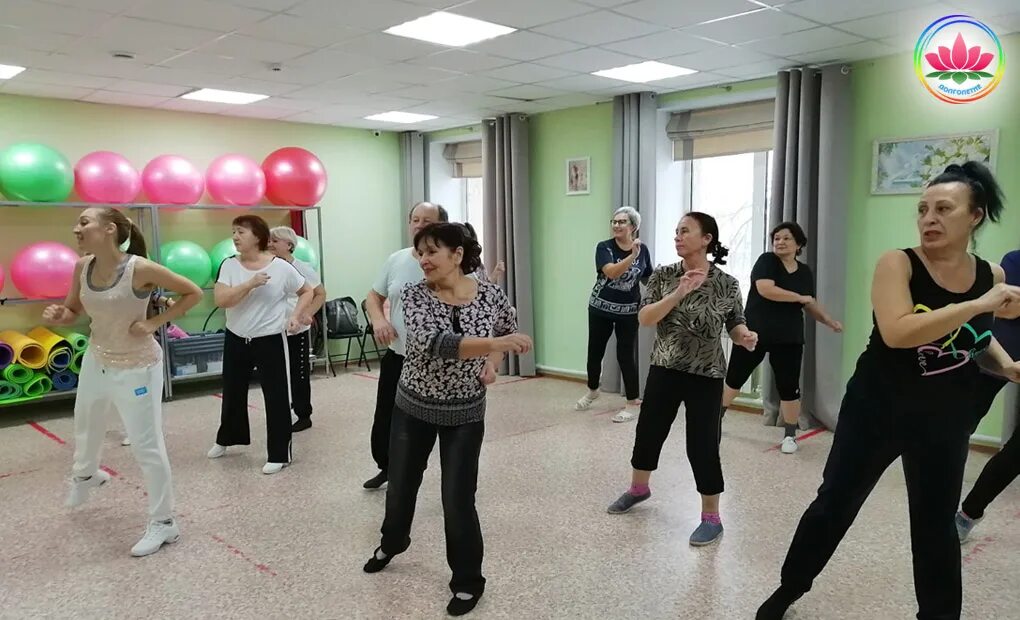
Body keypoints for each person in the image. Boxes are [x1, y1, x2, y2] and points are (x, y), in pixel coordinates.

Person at [757, 162, 1020, 620]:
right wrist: (978, 304)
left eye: (944, 208)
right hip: (877, 408)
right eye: (922, 209)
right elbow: (898, 331)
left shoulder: (990, 276)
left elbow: (975, 334)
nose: (929, 219)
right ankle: (789, 589)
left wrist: (1004, 363)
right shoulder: (897, 262)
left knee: (935, 523)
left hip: (944, 416)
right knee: (834, 504)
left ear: (974, 215)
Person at [362, 223, 532, 617]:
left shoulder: (490, 294)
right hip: (414, 406)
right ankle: (393, 542)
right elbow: (431, 343)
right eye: (419, 252)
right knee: (401, 486)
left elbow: (507, 331)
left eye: (431, 251)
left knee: (458, 499)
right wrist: (494, 346)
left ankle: (468, 581)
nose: (423, 260)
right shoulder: (414, 294)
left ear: (457, 255)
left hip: (466, 412)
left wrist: (491, 364)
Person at [43, 207, 202, 556]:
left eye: (84, 222)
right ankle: (86, 476)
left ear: (110, 229)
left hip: (137, 365)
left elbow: (193, 293)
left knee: (146, 445)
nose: (76, 229)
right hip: (98, 358)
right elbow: (73, 311)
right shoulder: (81, 266)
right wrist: (60, 315)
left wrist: (153, 323)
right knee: (86, 422)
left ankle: (164, 524)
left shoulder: (139, 269)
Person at [606, 212, 757, 547]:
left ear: (706, 239)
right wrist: (677, 294)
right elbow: (645, 317)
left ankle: (711, 517)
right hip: (665, 367)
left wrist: (743, 335)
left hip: (707, 374)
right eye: (675, 231)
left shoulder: (727, 283)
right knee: (649, 432)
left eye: (685, 231)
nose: (677, 236)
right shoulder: (663, 275)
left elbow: (734, 320)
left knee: (702, 444)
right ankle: (639, 488)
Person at [720, 222, 842, 454]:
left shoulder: (804, 271)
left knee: (789, 387)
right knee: (735, 377)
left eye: (786, 238)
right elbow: (767, 289)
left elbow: (809, 303)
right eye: (776, 238)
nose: (780, 242)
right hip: (754, 332)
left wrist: (828, 320)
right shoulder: (767, 261)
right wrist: (798, 297)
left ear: (798, 244)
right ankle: (716, 420)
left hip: (789, 336)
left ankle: (790, 435)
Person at [207, 215, 314, 475]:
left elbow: (307, 291)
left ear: (257, 236)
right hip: (236, 336)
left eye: (240, 232)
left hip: (269, 338)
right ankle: (227, 438)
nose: (235, 236)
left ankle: (279, 453)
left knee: (276, 396)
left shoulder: (281, 267)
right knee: (232, 391)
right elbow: (221, 299)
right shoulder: (229, 265)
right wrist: (249, 283)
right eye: (234, 231)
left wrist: (296, 314)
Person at [362, 201, 448, 490]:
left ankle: (426, 473)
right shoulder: (396, 259)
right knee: (386, 417)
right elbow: (372, 297)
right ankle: (387, 467)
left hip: (437, 362)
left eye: (427, 220)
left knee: (431, 425)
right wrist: (379, 321)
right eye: (415, 219)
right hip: (398, 356)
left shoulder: (454, 263)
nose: (419, 225)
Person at [955, 248, 1020, 541]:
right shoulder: (1015, 260)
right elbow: (1008, 306)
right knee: (958, 426)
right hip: (999, 357)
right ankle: (937, 499)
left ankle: (969, 513)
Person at [575, 206, 653, 423]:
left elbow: (648, 276)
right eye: (614, 221)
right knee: (595, 353)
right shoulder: (604, 247)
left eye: (622, 222)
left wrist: (662, 298)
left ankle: (631, 402)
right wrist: (631, 257)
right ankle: (592, 390)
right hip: (600, 308)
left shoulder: (643, 250)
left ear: (633, 227)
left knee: (626, 355)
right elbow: (611, 272)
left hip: (628, 312)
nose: (617, 225)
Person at [269, 226, 327, 433]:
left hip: (296, 330)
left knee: (298, 373)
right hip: (272, 330)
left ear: (289, 245)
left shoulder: (302, 268)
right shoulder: (268, 267)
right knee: (277, 374)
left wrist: (308, 313)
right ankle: (282, 412)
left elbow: (320, 293)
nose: (270, 244)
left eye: (275, 241)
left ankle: (303, 415)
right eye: (269, 240)